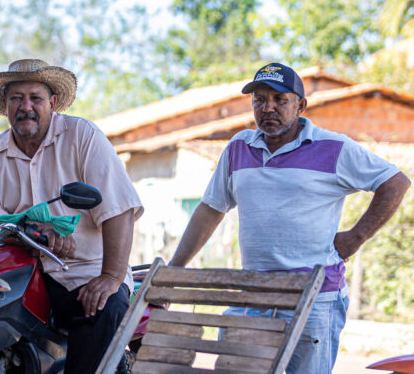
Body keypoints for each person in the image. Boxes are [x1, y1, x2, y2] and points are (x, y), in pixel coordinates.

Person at [170, 62, 411, 374]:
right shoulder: (238, 147)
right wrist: (176, 267)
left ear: (301, 105)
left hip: (314, 296)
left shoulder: (333, 148)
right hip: (254, 294)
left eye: (280, 100)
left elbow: (395, 182)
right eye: (259, 100)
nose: (268, 108)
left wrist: (355, 238)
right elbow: (211, 209)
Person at [0, 59, 144, 374]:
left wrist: (111, 278)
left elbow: (118, 209)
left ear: (53, 103)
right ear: (5, 106)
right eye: (16, 98)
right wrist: (36, 234)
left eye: (35, 97)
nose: (26, 106)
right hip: (20, 275)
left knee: (108, 306)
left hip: (85, 272)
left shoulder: (82, 136)